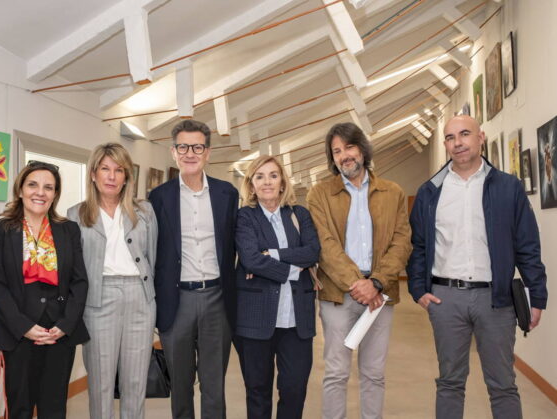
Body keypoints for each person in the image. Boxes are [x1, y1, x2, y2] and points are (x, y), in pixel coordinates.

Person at [407, 115, 548, 419]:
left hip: (496, 300)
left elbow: (527, 246)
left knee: (503, 385)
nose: (457, 142)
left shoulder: (508, 187)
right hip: (446, 299)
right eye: (450, 137)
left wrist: (537, 296)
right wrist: (418, 289)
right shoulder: (430, 192)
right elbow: (419, 246)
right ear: (446, 144)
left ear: (480, 137)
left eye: (464, 134)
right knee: (449, 383)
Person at [306, 122, 412, 419]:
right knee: (336, 373)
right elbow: (325, 245)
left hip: (380, 296)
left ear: (363, 149)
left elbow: (402, 242)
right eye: (336, 151)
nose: (344, 156)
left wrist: (376, 282)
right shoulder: (319, 194)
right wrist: (358, 284)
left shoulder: (393, 192)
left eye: (349, 147)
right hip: (337, 295)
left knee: (374, 374)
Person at [0, 161, 89, 418]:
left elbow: (79, 281)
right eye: (32, 185)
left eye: (48, 187)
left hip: (59, 333)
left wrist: (65, 324)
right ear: (20, 189)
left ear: (55, 194)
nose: (40, 192)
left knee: (54, 408)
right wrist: (23, 327)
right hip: (18, 332)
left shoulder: (68, 230)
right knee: (19, 407)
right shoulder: (0, 229)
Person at [149, 119, 238, 419]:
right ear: (173, 152)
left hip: (217, 299)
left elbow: (237, 241)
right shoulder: (159, 197)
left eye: (197, 147)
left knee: (214, 386)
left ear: (207, 152)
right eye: (183, 147)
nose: (190, 153)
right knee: (181, 386)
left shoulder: (227, 194)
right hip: (177, 301)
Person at [68, 143, 158, 419]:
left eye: (119, 170)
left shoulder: (144, 211)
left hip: (140, 299)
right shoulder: (76, 214)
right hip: (98, 300)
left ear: (126, 176)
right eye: (105, 169)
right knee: (100, 383)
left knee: (135, 382)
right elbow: (73, 269)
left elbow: (153, 256)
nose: (111, 176)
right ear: (93, 174)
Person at [234, 156, 320, 419]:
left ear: (282, 182)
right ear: (251, 184)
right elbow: (251, 259)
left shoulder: (299, 214)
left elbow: (312, 252)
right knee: (257, 391)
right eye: (259, 176)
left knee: (294, 389)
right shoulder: (245, 217)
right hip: (255, 317)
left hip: (296, 320)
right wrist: (294, 269)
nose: (267, 182)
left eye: (273, 175)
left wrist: (271, 254)